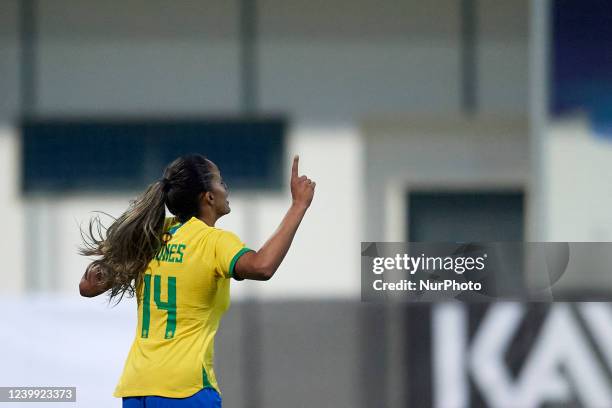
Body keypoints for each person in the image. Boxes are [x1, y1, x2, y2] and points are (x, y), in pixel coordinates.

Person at [78, 153, 315, 408]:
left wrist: (119, 252)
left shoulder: (153, 233)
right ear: (208, 197)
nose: (226, 187)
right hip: (185, 388)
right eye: (220, 181)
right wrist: (298, 206)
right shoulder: (213, 241)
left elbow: (87, 287)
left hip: (137, 388)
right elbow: (262, 266)